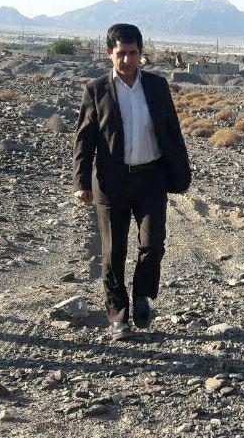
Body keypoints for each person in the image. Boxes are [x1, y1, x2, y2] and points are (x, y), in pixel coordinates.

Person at [72, 23, 191, 341]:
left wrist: (180, 172)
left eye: (133, 53)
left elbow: (172, 130)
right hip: (111, 182)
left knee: (153, 245)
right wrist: (81, 181)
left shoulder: (156, 86)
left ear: (141, 53)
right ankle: (118, 316)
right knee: (113, 254)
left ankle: (141, 293)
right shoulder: (96, 90)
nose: (127, 60)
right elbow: (84, 139)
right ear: (109, 53)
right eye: (121, 53)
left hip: (151, 179)